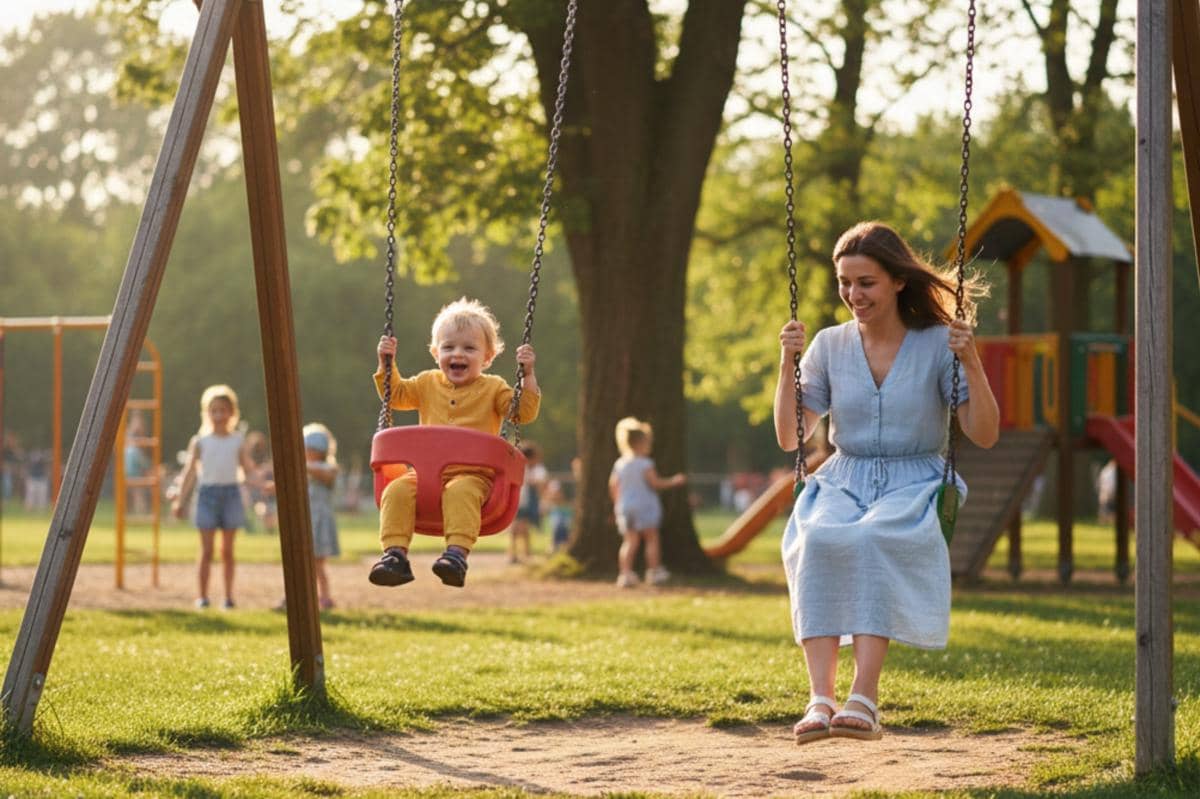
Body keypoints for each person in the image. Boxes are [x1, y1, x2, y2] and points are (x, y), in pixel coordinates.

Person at [776, 221, 999, 744]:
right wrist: (786, 365)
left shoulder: (937, 345)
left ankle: (865, 699)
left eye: (866, 283)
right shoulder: (829, 346)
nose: (853, 294)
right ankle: (820, 699)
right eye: (844, 282)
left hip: (914, 480)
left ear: (898, 281)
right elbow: (791, 437)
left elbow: (983, 434)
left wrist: (971, 360)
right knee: (823, 537)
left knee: (874, 537)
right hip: (843, 477)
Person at [368, 297, 541, 588]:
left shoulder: (494, 387)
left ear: (487, 357)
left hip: (474, 477)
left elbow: (520, 412)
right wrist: (386, 364)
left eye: (469, 348)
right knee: (396, 490)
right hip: (423, 476)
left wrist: (528, 377)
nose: (457, 353)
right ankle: (395, 556)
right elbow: (395, 395)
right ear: (436, 352)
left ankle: (456, 556)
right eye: (448, 347)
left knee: (461, 492)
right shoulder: (426, 383)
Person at [172, 384, 261, 610]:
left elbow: (248, 470)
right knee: (206, 550)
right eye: (214, 410)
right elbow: (190, 473)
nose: (219, 415)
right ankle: (202, 597)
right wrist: (180, 501)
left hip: (231, 495)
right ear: (207, 413)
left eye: (223, 410)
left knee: (228, 551)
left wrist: (263, 485)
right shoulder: (200, 441)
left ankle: (228, 597)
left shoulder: (237, 441)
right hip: (207, 496)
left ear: (232, 412)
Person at [609, 416, 686, 588]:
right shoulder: (645, 463)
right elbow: (655, 483)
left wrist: (617, 504)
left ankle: (625, 573)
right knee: (651, 538)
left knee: (630, 541)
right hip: (645, 505)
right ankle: (654, 571)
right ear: (640, 443)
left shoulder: (620, 464)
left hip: (625, 506)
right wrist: (674, 481)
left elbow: (613, 485)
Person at [303, 423, 341, 610]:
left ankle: (324, 597)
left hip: (319, 522)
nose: (308, 452)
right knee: (302, 563)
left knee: (317, 563)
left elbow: (325, 475)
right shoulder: (305, 469)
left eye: (311, 449)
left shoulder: (327, 469)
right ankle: (301, 596)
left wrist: (303, 464)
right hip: (306, 521)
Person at [509, 442, 547, 563]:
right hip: (519, 501)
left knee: (523, 528)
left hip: (524, 502)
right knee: (518, 528)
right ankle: (517, 554)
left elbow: (540, 485)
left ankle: (524, 553)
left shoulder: (535, 469)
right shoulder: (521, 468)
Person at [545, 478, 572, 552]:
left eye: (557, 493)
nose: (556, 495)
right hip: (555, 529)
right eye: (553, 493)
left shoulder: (567, 507)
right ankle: (554, 545)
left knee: (562, 525)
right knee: (557, 525)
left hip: (565, 529)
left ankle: (562, 546)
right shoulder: (550, 507)